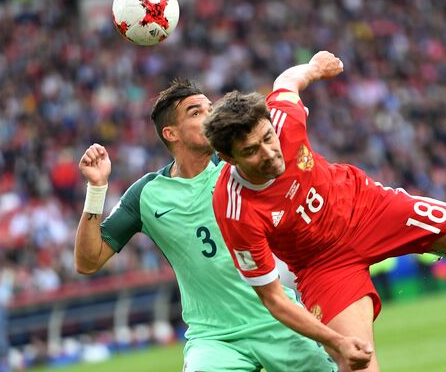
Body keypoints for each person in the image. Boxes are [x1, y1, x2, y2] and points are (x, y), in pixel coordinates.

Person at [203, 51, 446, 371]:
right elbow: (274, 299)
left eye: (268, 138)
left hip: (369, 207)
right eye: (251, 151)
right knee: (358, 364)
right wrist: (337, 342)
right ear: (229, 159)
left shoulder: (284, 117)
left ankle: (435, 242)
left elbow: (287, 80)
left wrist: (314, 67)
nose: (269, 153)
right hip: (325, 267)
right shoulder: (235, 210)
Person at [75, 78, 337, 371]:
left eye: (210, 108)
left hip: (277, 317)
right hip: (214, 339)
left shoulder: (240, 165)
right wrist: (96, 189)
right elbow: (88, 261)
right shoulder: (146, 195)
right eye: (196, 112)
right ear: (171, 133)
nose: (210, 116)